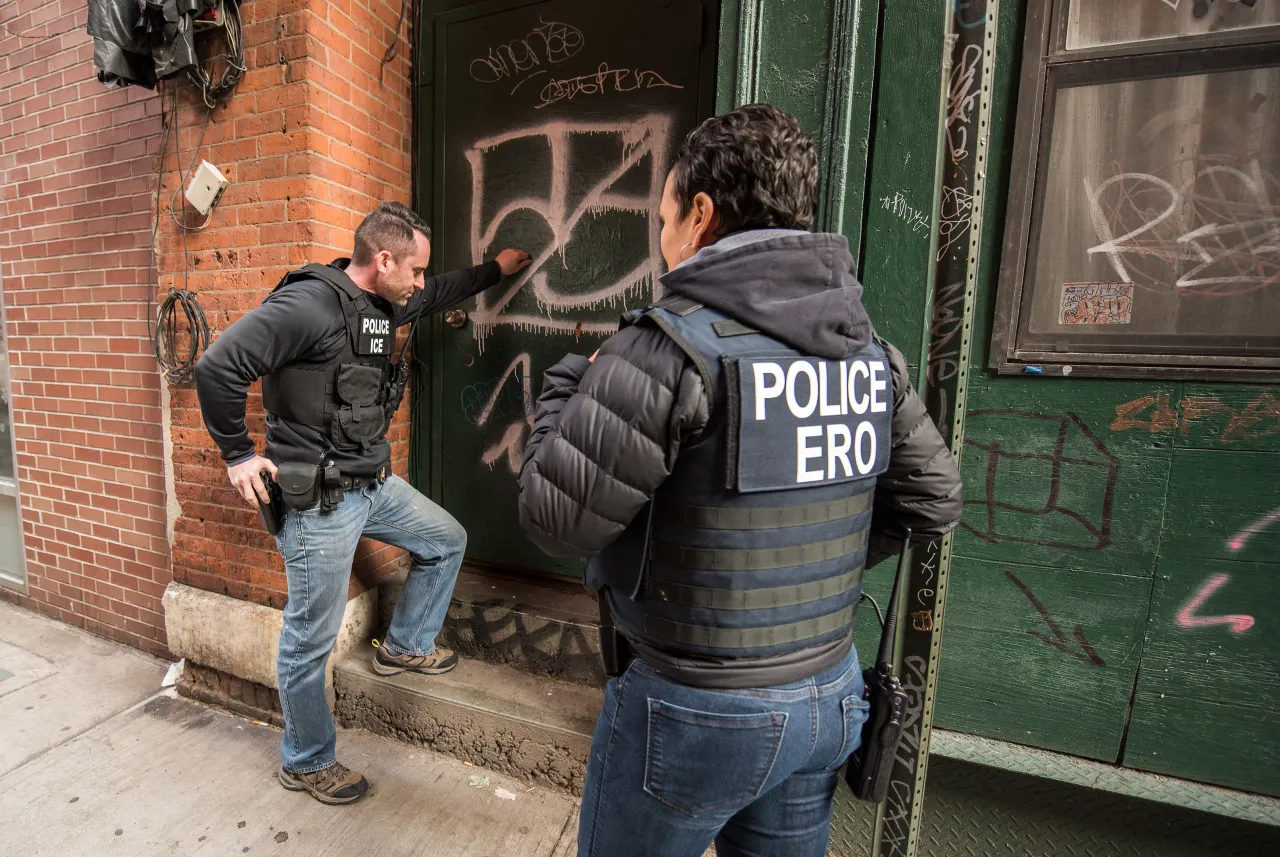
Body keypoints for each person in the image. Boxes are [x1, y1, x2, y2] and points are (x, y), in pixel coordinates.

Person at [517, 105, 963, 857]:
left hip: (697, 711)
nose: (661, 246)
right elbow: (934, 499)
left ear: (700, 214)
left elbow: (552, 518)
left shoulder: (668, 349)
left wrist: (567, 385)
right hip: (828, 689)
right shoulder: (868, 356)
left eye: (663, 220)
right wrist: (800, 576)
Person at [195, 201, 531, 805]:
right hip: (319, 502)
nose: (423, 282)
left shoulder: (386, 301)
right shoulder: (308, 305)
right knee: (309, 637)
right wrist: (238, 454)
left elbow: (445, 290)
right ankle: (305, 760)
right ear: (383, 259)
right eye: (417, 270)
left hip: (371, 484)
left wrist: (496, 269)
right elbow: (218, 366)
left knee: (445, 539)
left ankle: (404, 646)